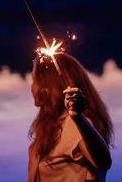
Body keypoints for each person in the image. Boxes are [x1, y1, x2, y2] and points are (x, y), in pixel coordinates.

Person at [28, 52, 114, 182]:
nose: (32, 86)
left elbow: (102, 161)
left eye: (34, 79)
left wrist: (79, 118)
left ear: (48, 87)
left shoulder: (73, 124)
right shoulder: (50, 129)